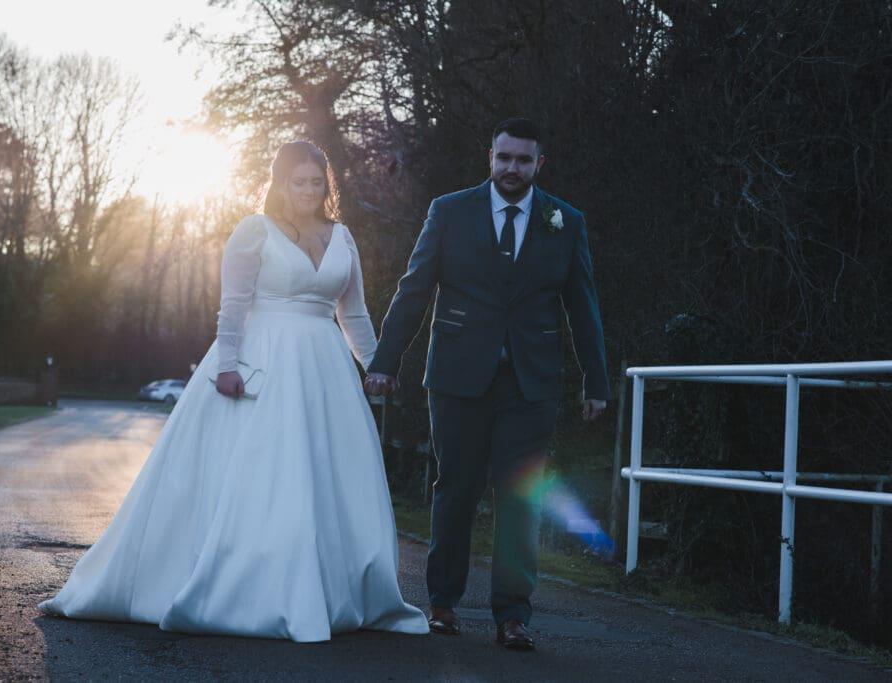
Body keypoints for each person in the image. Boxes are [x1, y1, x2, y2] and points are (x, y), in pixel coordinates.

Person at [40, 141, 428, 642]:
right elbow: (234, 305)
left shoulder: (343, 237)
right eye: (298, 181)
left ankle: (334, 591)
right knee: (268, 476)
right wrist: (227, 365)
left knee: (329, 475)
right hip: (262, 360)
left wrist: (377, 365)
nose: (308, 191)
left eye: (317, 182)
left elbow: (351, 314)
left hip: (326, 370)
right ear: (279, 183)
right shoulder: (254, 231)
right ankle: (256, 587)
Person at [364, 117, 609, 651]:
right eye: (505, 158)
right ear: (490, 158)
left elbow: (582, 305)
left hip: (532, 382)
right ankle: (443, 604)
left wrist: (596, 379)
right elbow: (414, 289)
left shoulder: (564, 221)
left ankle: (512, 616)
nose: (512, 168)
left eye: (524, 160)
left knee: (521, 497)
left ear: (538, 165)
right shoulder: (449, 211)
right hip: (457, 376)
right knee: (455, 489)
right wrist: (386, 360)